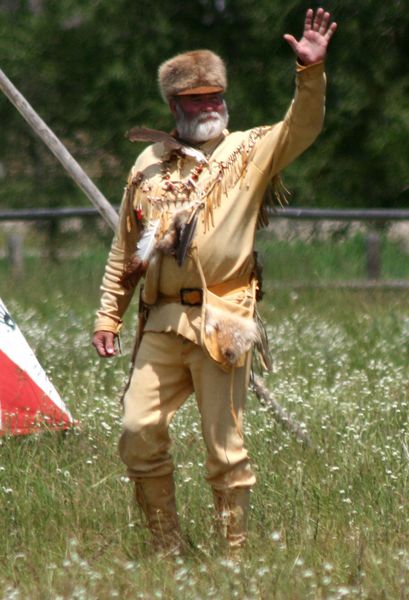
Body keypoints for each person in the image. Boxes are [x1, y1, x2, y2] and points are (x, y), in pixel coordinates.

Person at [92, 7, 337, 556]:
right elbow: (126, 247)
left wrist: (311, 73)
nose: (208, 106)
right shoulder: (148, 164)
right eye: (195, 99)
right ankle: (166, 549)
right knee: (137, 431)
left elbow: (304, 125)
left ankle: (234, 559)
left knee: (225, 449)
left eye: (214, 96)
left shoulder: (250, 150)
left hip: (223, 319)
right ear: (173, 105)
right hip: (160, 319)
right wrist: (109, 311)